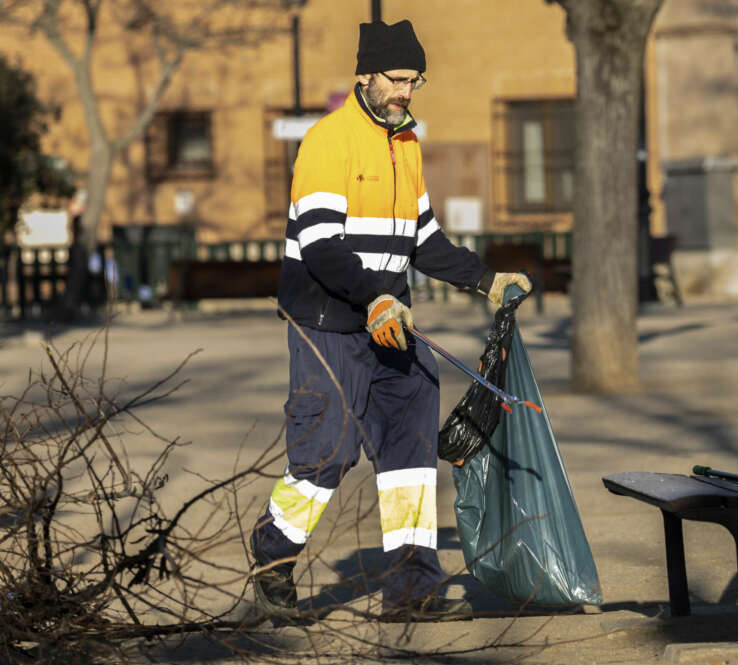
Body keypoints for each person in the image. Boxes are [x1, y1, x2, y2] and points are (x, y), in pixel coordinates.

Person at [249, 19, 531, 622]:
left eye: (414, 80)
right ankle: (272, 554)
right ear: (365, 75)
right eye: (397, 79)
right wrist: (374, 297)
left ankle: (411, 590)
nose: (406, 90)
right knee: (325, 456)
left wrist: (486, 279)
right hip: (327, 324)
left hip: (392, 327)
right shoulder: (329, 141)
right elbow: (322, 246)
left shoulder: (406, 145)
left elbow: (423, 241)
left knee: (410, 460)